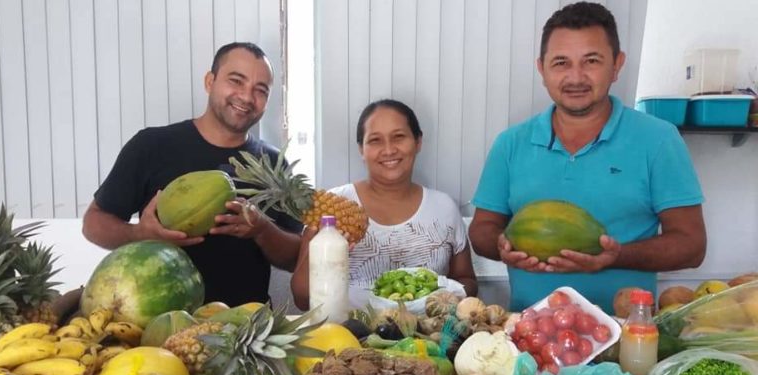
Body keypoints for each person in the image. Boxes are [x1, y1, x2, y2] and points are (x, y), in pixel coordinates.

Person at [468, 2, 706, 314]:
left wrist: (615, 255)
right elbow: (481, 230)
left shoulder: (659, 140)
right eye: (561, 63)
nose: (575, 77)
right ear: (542, 69)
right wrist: (503, 246)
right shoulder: (510, 144)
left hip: (626, 335)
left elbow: (692, 246)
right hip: (528, 335)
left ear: (617, 65)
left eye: (591, 61)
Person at [82, 42, 302, 306]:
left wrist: (262, 230)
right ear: (210, 81)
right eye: (236, 81)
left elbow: (294, 260)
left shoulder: (275, 164)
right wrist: (139, 234)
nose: (246, 97)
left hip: (245, 328)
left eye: (260, 90)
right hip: (158, 325)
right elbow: (93, 223)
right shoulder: (151, 146)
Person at [291, 99, 478, 310]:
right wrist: (324, 249)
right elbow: (302, 300)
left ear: (418, 142)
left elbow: (467, 281)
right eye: (375, 140)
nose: (388, 150)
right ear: (361, 149)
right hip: (347, 337)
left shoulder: (444, 207)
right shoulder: (331, 208)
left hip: (429, 339)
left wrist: (444, 297)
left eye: (398, 137)